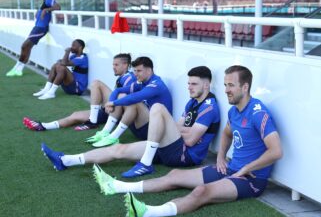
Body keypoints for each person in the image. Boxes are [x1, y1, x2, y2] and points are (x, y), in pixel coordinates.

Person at [92, 65, 283, 217]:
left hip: (251, 179)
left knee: (202, 191)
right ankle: (117, 186)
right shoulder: (234, 112)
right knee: (174, 175)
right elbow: (226, 134)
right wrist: (220, 156)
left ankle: (147, 212)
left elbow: (276, 151)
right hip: (231, 168)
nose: (226, 90)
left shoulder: (258, 112)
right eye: (225, 85)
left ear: (245, 87)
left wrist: (246, 168)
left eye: (231, 85)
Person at [40, 66, 220, 179]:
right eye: (188, 83)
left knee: (157, 108)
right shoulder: (192, 102)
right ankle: (66, 160)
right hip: (171, 147)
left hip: (184, 156)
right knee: (120, 149)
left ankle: (145, 164)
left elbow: (189, 140)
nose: (189, 87)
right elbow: (180, 126)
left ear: (206, 85)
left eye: (194, 84)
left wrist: (176, 130)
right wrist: (179, 130)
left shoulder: (209, 107)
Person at [22, 53, 136, 131]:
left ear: (125, 65)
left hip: (118, 113)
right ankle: (43, 126)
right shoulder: (123, 77)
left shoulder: (129, 77)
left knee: (96, 83)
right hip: (109, 110)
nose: (113, 67)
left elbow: (126, 99)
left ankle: (93, 122)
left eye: (116, 65)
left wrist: (110, 103)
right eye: (113, 64)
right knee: (75, 115)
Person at [84, 56, 173, 147]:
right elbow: (118, 91)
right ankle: (105, 132)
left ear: (149, 70)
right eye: (134, 71)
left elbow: (135, 97)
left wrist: (113, 103)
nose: (135, 74)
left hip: (154, 131)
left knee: (134, 102)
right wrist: (110, 103)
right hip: (141, 127)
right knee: (122, 96)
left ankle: (113, 137)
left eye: (139, 71)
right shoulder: (142, 82)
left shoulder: (157, 84)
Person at [5, 0, 61, 77]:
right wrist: (39, 11)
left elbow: (58, 7)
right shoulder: (45, 0)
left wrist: (46, 10)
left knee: (24, 46)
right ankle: (18, 69)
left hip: (41, 28)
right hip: (37, 27)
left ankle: (18, 67)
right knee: (26, 47)